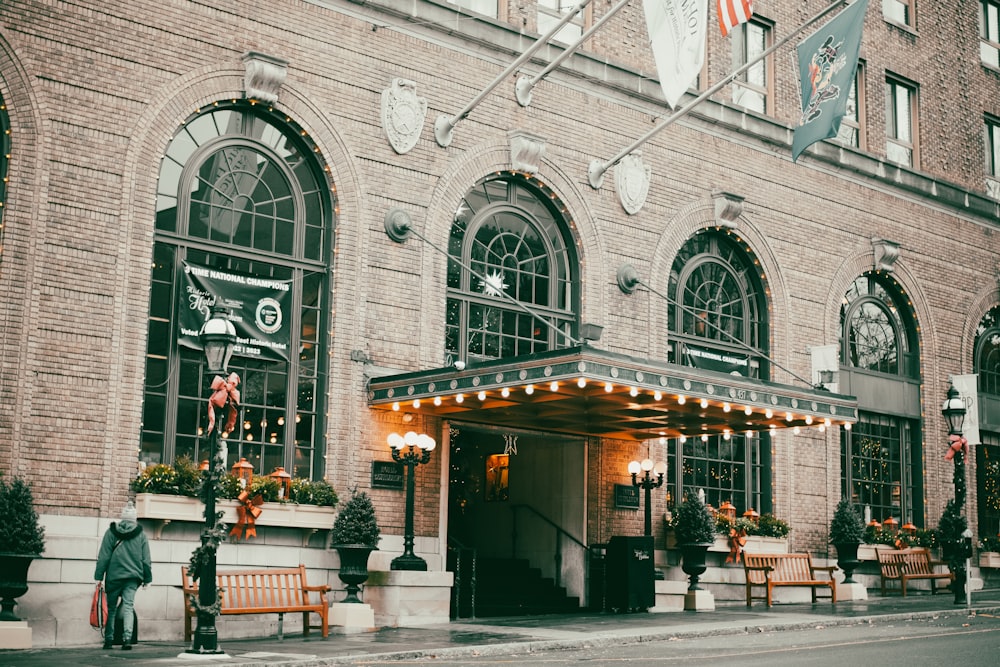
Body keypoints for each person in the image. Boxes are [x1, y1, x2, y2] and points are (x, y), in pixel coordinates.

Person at [94, 500, 152, 650]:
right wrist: (148, 579)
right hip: (132, 577)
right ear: (134, 519)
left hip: (113, 577)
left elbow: (104, 556)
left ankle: (108, 640)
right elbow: (146, 559)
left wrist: (98, 577)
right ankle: (127, 639)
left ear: (122, 518)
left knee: (111, 609)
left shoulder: (111, 532)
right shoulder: (141, 535)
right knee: (128, 606)